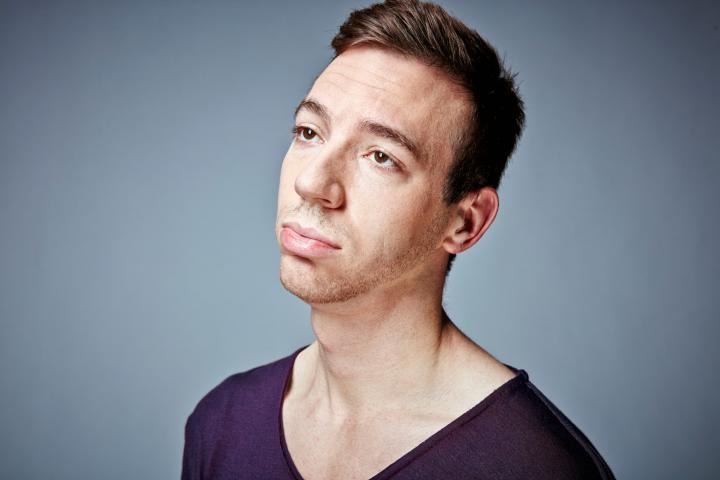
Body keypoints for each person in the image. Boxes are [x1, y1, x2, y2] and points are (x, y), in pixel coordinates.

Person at [181, 0, 615, 478]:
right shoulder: (223, 421)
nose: (312, 183)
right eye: (309, 131)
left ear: (466, 222)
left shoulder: (533, 466)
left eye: (381, 157)